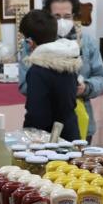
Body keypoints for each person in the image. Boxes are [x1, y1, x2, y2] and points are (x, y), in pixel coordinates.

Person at [19, 0, 103, 141]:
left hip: (80, 119)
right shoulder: (32, 43)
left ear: (74, 16)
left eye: (67, 16)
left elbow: (102, 79)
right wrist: (59, 87)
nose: (62, 21)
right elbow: (25, 85)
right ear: (48, 15)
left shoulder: (87, 42)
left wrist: (85, 88)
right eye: (57, 16)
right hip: (46, 127)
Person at [18, 9, 81, 140]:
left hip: (48, 141)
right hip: (70, 134)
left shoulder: (38, 71)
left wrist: (26, 137)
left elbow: (37, 115)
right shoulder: (69, 62)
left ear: (30, 42)